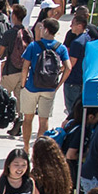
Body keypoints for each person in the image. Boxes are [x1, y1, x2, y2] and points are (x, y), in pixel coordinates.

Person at [20, 18, 71, 152]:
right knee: (44, 120)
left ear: (46, 30)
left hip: (31, 87)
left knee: (28, 118)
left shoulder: (33, 46)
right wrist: (58, 84)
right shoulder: (61, 48)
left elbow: (25, 66)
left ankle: (25, 148)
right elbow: (68, 67)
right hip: (49, 88)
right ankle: (38, 150)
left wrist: (23, 83)